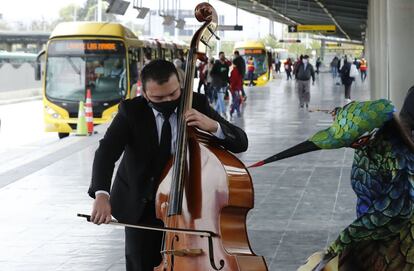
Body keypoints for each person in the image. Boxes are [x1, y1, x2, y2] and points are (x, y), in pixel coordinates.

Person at [88, 59, 248, 271]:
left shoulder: (195, 103)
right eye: (158, 97)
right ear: (144, 93)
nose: (168, 100)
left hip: (188, 207)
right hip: (141, 206)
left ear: (180, 86)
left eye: (173, 94)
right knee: (140, 264)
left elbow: (240, 142)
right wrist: (101, 194)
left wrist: (213, 126)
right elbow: (106, 153)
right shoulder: (130, 111)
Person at [211, 52, 230, 117]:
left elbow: (227, 74)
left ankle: (215, 112)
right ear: (219, 56)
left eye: (224, 55)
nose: (223, 57)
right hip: (218, 84)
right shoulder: (216, 64)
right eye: (222, 56)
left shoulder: (226, 65)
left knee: (221, 98)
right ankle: (224, 112)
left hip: (224, 84)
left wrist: (229, 82)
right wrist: (217, 79)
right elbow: (212, 73)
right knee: (221, 98)